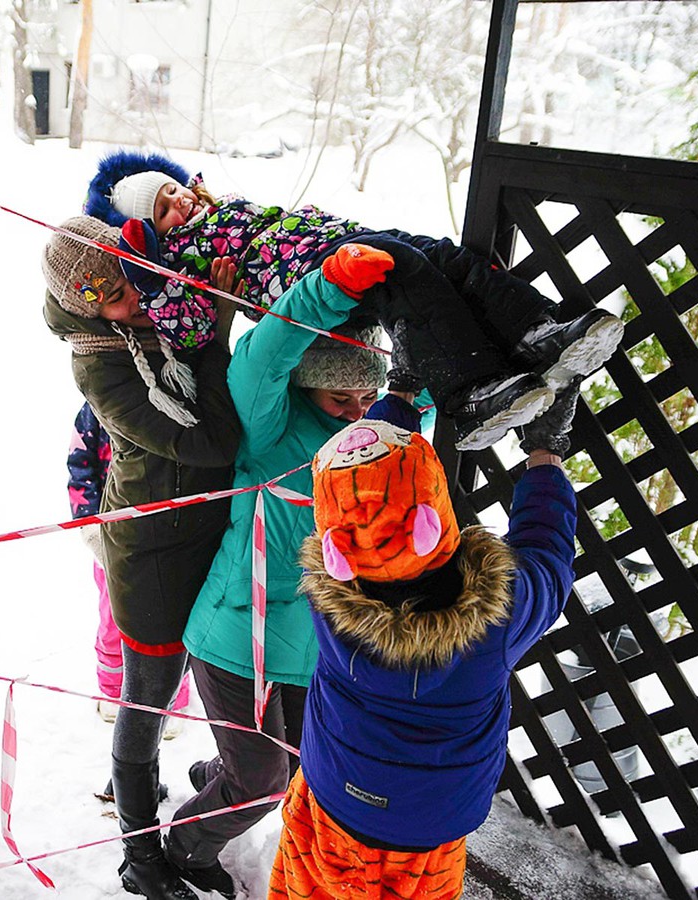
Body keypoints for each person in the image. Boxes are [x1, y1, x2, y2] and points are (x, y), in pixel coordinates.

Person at [164, 263, 430, 897]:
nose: (357, 413)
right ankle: (183, 844)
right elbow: (263, 357)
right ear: (311, 386)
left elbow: (423, 393)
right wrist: (328, 287)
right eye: (341, 399)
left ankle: (221, 777)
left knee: (292, 768)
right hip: (235, 632)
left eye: (368, 399)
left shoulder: (371, 440)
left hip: (309, 643)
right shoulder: (272, 430)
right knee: (261, 784)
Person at [267, 380, 584, 900]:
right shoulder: (495, 621)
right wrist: (544, 454)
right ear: (431, 519)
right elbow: (546, 551)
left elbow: (360, 505)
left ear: (336, 549)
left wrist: (401, 399)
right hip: (427, 833)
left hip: (326, 804)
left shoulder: (327, 600)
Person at [85, 149, 624, 451]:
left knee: (442, 257)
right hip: (307, 274)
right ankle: (472, 389)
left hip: (335, 238)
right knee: (403, 267)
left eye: (173, 191)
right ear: (151, 231)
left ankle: (537, 331)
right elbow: (191, 325)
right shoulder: (183, 261)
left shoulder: (225, 206)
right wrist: (154, 281)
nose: (177, 206)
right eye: (161, 211)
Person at [43, 216, 242, 900]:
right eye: (110, 289)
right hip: (154, 555)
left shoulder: (141, 311)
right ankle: (139, 854)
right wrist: (216, 337)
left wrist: (211, 307)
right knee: (149, 697)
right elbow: (211, 441)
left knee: (223, 676)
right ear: (81, 301)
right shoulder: (99, 364)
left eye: (131, 273)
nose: (132, 293)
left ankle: (218, 784)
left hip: (207, 532)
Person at [67, 402, 192, 731]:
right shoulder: (97, 407)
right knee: (113, 620)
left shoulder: (174, 399)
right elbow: (80, 466)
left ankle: (174, 698)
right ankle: (112, 691)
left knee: (175, 618)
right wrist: (90, 523)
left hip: (171, 536)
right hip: (115, 539)